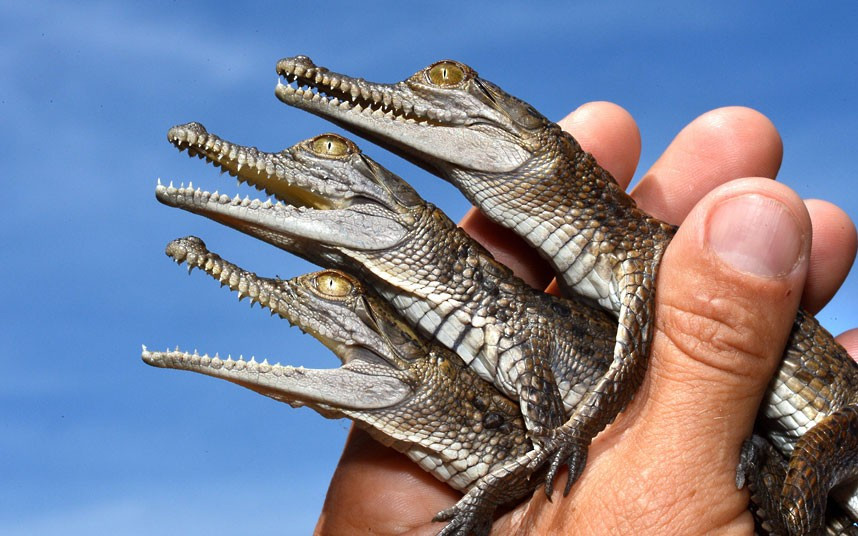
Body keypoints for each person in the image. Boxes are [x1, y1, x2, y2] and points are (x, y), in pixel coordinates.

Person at [313, 104, 858, 534]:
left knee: (805, 479)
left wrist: (570, 432)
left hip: (844, 419)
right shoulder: (595, 277)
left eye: (448, 80)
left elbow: (626, 365)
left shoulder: (642, 259)